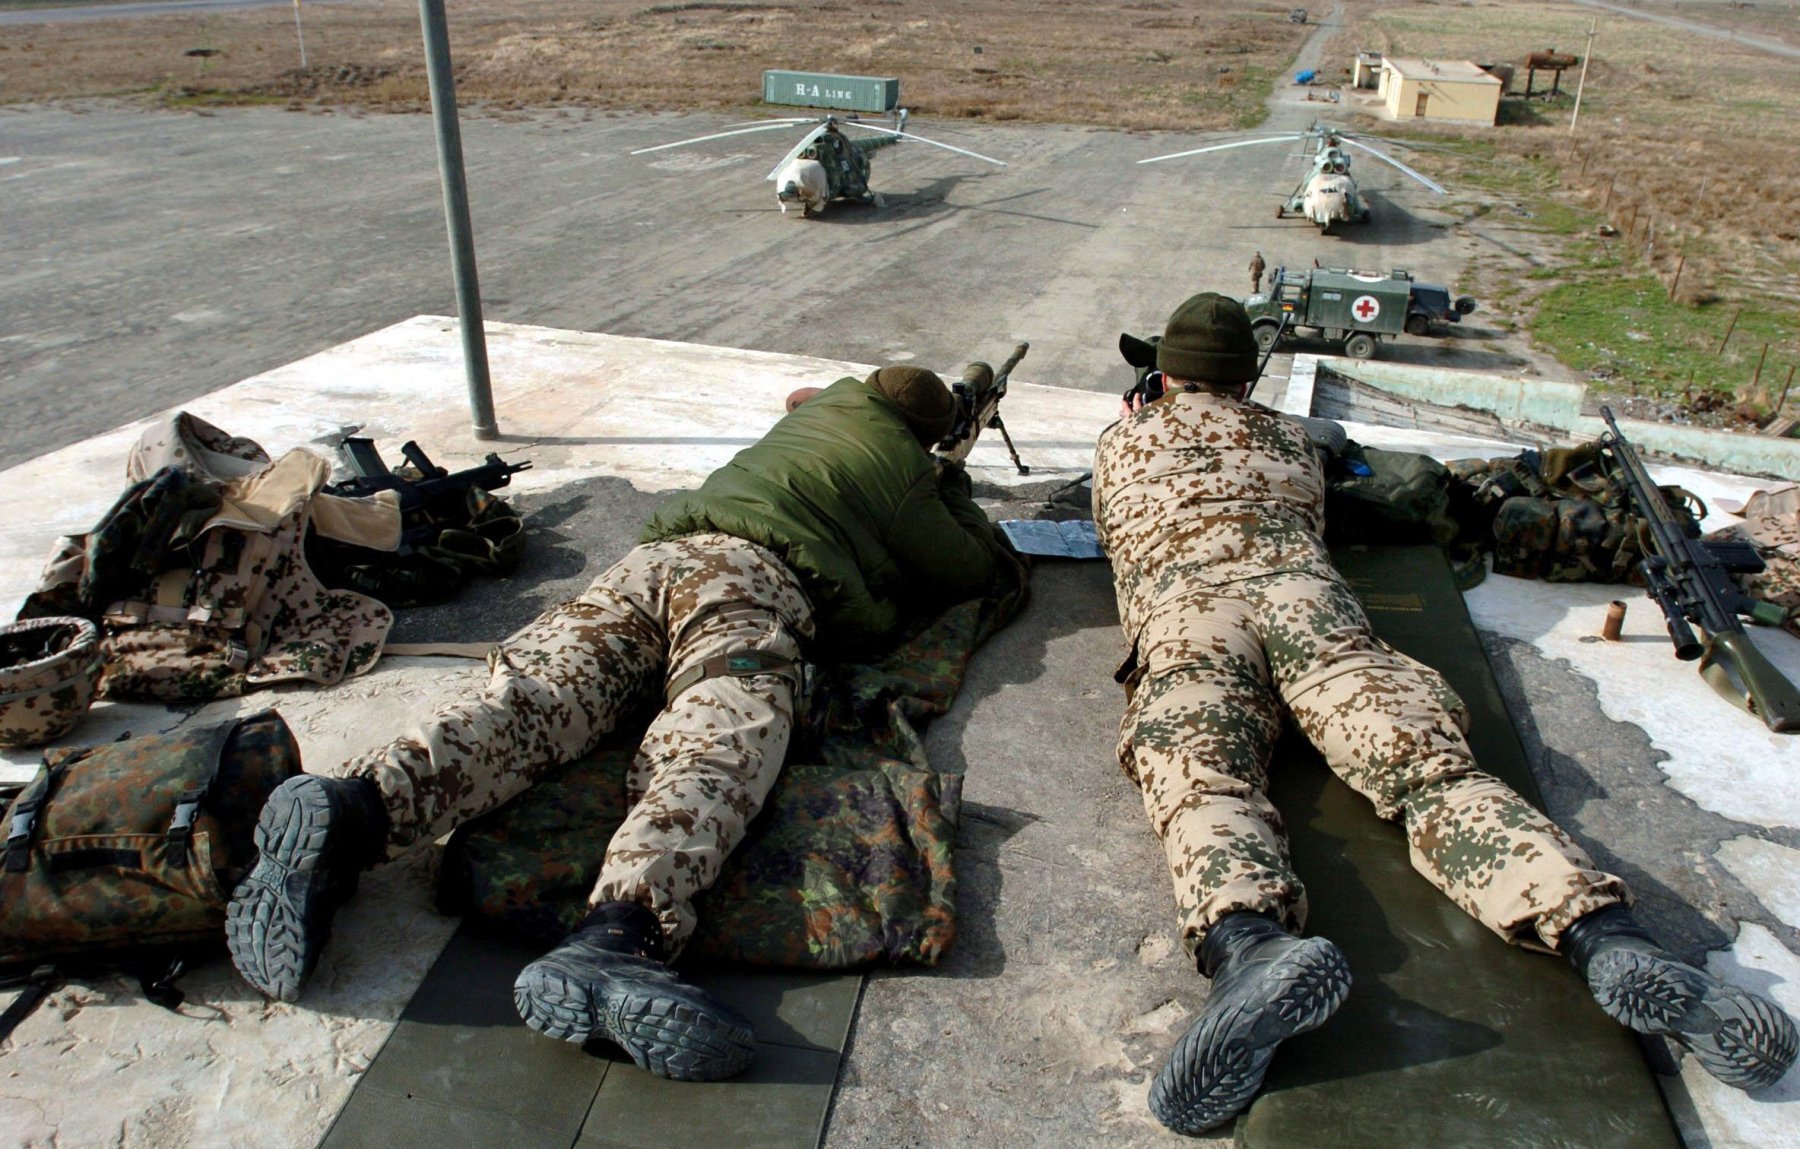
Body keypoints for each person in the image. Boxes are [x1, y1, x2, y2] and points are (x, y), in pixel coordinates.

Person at [1092, 293, 1797, 1136]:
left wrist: (1147, 422)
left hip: (1192, 614)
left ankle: (1249, 947)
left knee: (1202, 774)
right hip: (1313, 608)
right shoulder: (1289, 441)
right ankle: (1604, 934)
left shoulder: (1121, 441)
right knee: (1432, 775)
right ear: (1247, 379)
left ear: (1164, 374)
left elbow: (1116, 524)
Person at [226, 365, 1010, 1083]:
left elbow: (806, 399)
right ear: (923, 432)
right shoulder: (909, 469)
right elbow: (972, 568)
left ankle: (356, 805)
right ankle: (619, 934)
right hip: (749, 582)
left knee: (534, 700)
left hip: (649, 562)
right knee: (721, 737)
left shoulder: (822, 407)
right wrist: (948, 481)